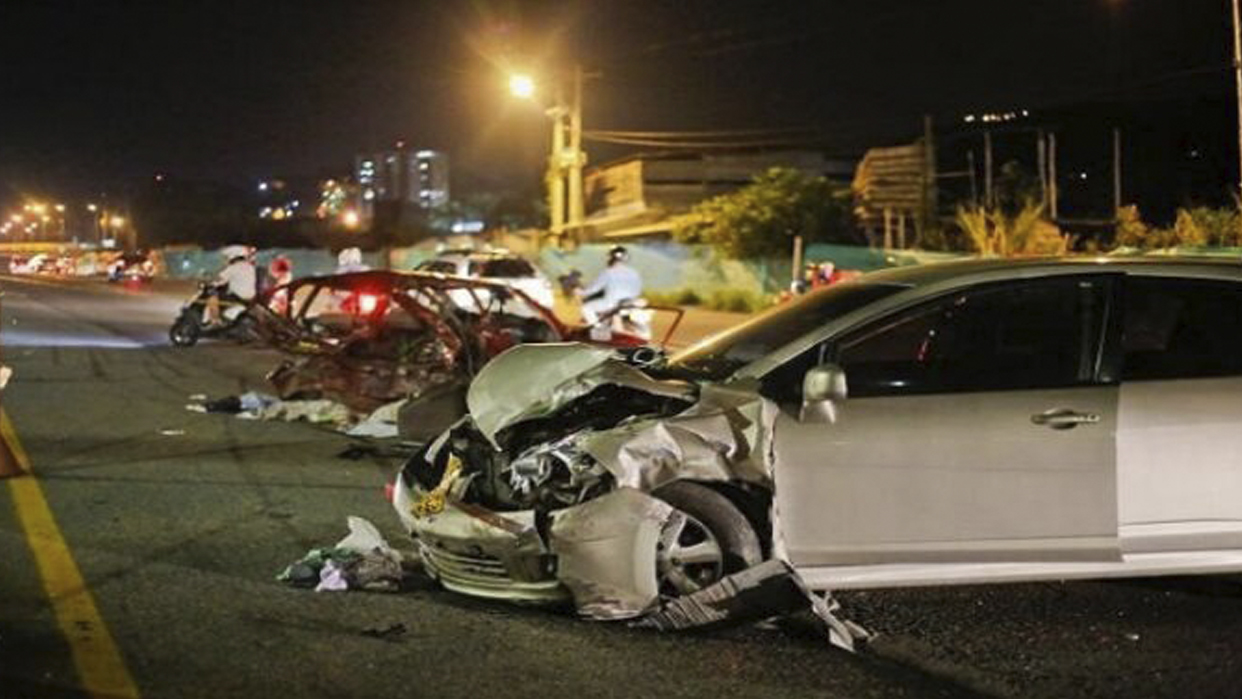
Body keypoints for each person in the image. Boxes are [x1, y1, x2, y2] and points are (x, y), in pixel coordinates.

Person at [580, 245, 643, 325]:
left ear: (611, 258)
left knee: (586, 308)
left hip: (612, 303)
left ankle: (599, 329)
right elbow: (638, 290)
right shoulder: (635, 272)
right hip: (631, 303)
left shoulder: (608, 272)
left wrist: (581, 292)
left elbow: (593, 289)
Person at [206, 245, 257, 326]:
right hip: (249, 300)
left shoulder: (233, 268)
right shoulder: (250, 267)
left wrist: (209, 282)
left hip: (236, 299)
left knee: (212, 295)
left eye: (227, 258)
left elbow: (217, 280)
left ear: (232, 256)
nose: (226, 260)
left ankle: (214, 321)